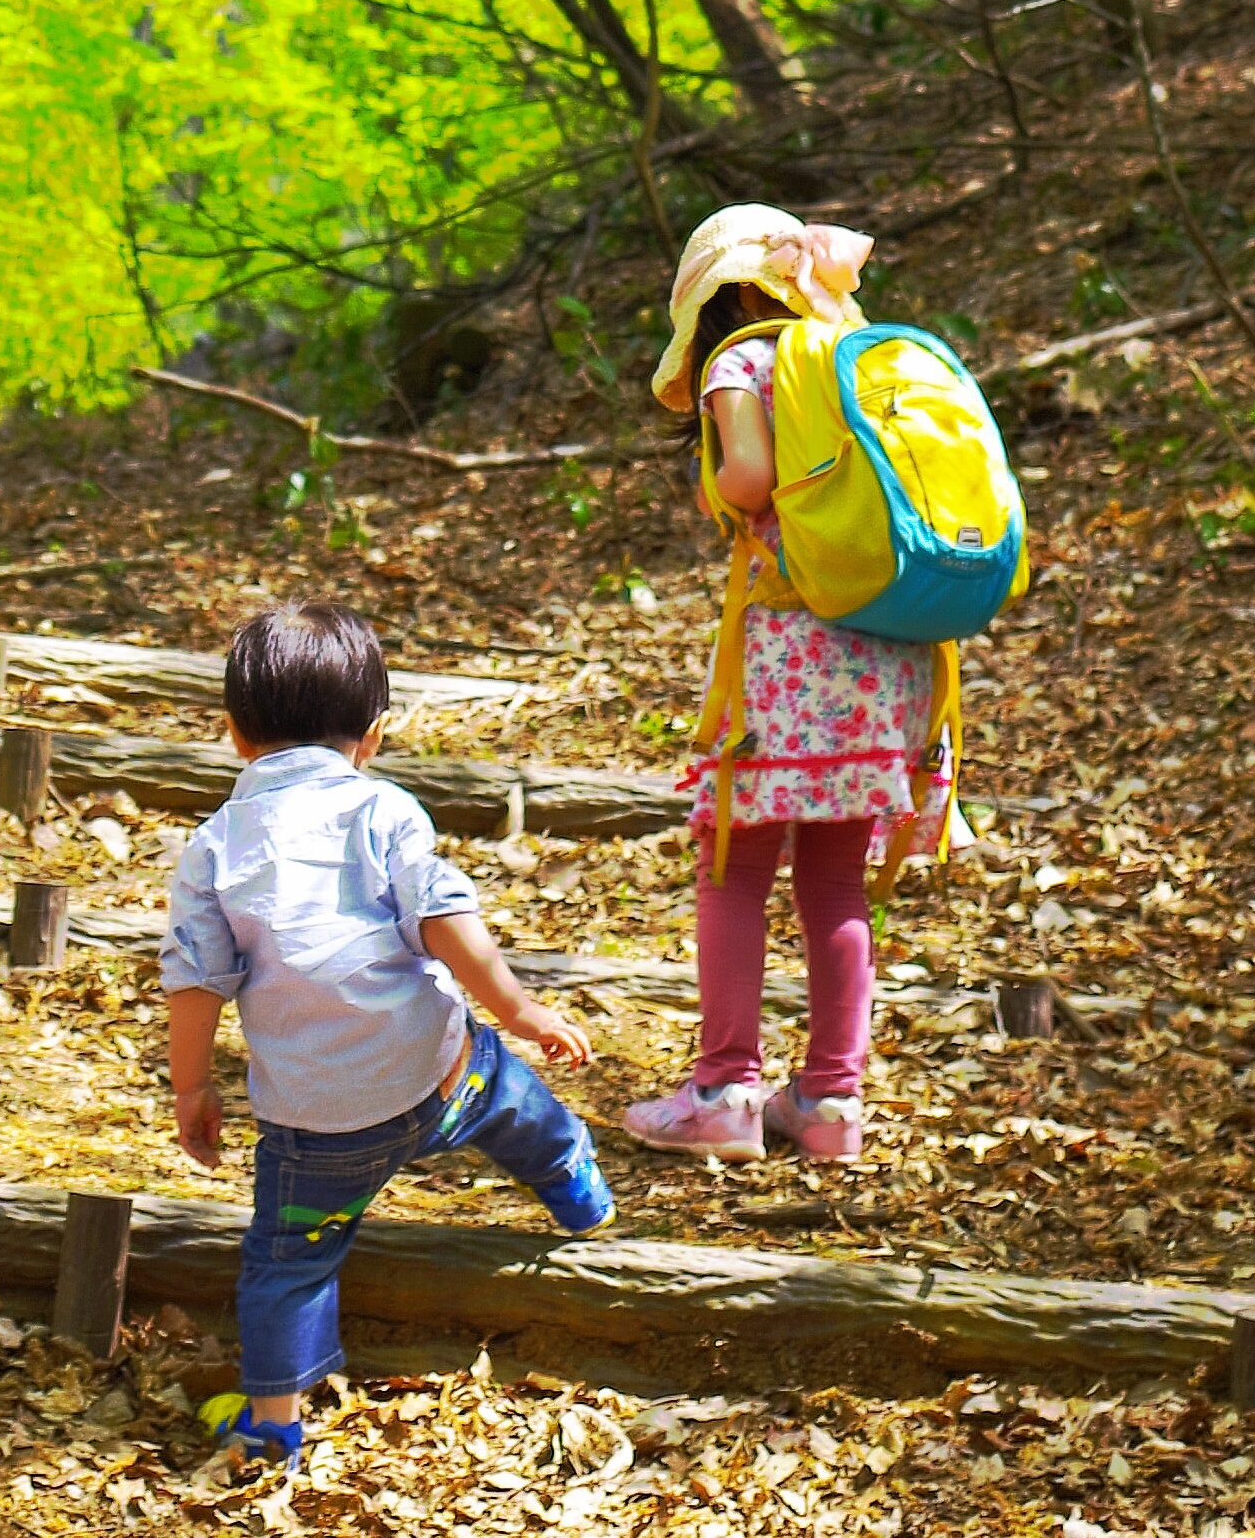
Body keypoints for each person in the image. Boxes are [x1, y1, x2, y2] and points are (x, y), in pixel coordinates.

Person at [162, 601, 612, 1470]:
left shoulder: (212, 847)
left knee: (286, 1261)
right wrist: (521, 1011)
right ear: (371, 734)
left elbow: (194, 983)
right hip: (439, 1077)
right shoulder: (383, 812)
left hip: (316, 1126)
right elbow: (446, 921)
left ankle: (272, 1426)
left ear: (232, 734)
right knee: (515, 1096)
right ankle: (575, 1186)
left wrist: (191, 1087)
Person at [622, 203, 951, 1168]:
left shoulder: (743, 363)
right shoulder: (849, 355)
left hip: (786, 659)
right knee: (836, 879)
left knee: (731, 861)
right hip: (883, 652)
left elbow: (752, 478)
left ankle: (724, 1089)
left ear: (709, 305)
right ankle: (828, 1104)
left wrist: (719, 476)